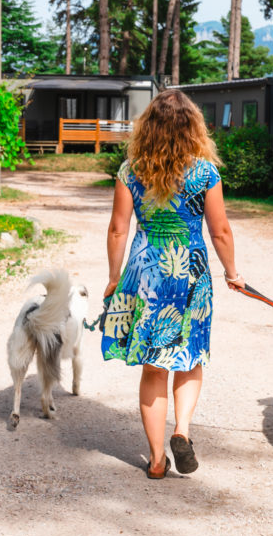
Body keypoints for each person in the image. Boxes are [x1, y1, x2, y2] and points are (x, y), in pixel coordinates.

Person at [101, 89, 241, 479]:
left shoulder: (131, 171)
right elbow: (221, 230)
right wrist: (232, 272)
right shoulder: (204, 173)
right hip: (190, 275)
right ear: (192, 127)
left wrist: (114, 279)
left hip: (147, 275)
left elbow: (117, 229)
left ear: (148, 127)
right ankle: (182, 431)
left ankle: (158, 460)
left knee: (153, 368)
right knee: (190, 357)